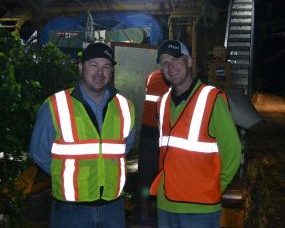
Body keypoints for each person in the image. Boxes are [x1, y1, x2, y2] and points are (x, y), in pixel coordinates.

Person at [29, 42, 136, 228]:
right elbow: (39, 153)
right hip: (70, 211)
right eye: (93, 65)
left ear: (112, 72)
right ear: (81, 67)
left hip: (113, 208)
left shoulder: (126, 107)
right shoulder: (55, 105)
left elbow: (125, 147)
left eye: (106, 67)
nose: (99, 72)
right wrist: (65, 174)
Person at [150, 40, 241, 228]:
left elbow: (232, 152)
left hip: (199, 208)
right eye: (165, 62)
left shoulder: (212, 98)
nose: (171, 66)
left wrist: (214, 189)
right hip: (165, 204)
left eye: (176, 60)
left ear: (189, 62)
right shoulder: (162, 102)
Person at [137, 69, 170, 225]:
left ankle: (145, 217)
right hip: (163, 133)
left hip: (147, 132)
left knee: (145, 176)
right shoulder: (176, 79)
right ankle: (160, 215)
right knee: (164, 175)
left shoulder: (150, 75)